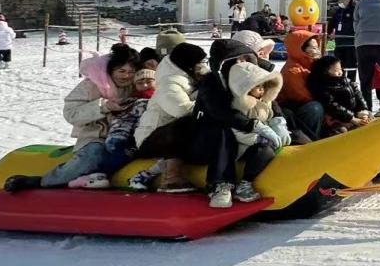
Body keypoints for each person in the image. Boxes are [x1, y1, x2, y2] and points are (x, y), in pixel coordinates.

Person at [4, 43, 139, 191]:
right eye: (122, 71)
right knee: (94, 154)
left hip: (127, 138)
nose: (126, 76)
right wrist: (103, 107)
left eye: (131, 72)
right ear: (110, 70)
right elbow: (71, 113)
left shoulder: (136, 85)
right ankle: (45, 181)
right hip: (96, 137)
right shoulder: (90, 86)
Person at [191, 59, 287, 208]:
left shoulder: (265, 102)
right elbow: (234, 130)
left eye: (263, 86)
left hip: (258, 141)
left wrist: (278, 126)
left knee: (265, 151)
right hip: (240, 145)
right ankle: (233, 185)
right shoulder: (238, 105)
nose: (261, 90)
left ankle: (247, 181)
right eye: (257, 87)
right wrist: (257, 137)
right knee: (261, 147)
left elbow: (270, 117)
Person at [129, 42, 208, 193]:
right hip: (151, 138)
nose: (203, 66)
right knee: (185, 122)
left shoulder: (188, 80)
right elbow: (181, 110)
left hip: (169, 138)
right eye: (200, 63)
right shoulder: (169, 83)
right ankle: (172, 179)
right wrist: (208, 100)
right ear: (188, 64)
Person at [278, 29, 326, 140]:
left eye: (317, 47)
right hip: (295, 109)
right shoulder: (292, 70)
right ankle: (310, 140)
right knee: (315, 108)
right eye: (313, 48)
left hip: (308, 104)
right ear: (301, 49)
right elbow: (303, 97)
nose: (317, 50)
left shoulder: (314, 65)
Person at [306, 54, 371, 135]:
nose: (340, 72)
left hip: (352, 114)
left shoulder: (346, 80)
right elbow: (332, 105)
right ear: (326, 71)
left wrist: (363, 110)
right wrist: (351, 118)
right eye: (336, 70)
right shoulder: (322, 85)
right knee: (341, 131)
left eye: (340, 69)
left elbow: (358, 95)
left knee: (369, 119)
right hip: (335, 119)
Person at [328, 0, 357, 85]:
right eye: (339, 1)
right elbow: (332, 22)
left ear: (347, 0)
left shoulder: (355, 10)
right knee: (339, 65)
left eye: (341, 0)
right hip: (339, 42)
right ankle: (340, 83)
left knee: (351, 66)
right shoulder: (339, 11)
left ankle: (352, 84)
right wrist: (329, 33)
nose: (340, 2)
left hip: (351, 43)